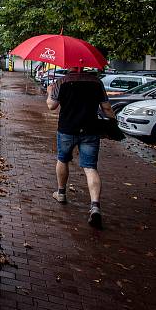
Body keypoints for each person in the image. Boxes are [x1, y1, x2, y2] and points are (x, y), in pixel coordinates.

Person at [45, 67, 115, 228]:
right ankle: (95, 205)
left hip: (67, 129)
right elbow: (107, 108)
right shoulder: (96, 83)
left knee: (63, 160)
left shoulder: (62, 81)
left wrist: (50, 91)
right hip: (91, 130)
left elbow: (51, 106)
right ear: (84, 66)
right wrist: (113, 123)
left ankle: (61, 193)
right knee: (90, 168)